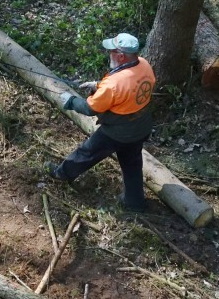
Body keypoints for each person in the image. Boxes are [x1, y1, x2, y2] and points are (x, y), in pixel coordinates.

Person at [49, 32, 156, 212]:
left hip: (117, 133)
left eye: (111, 52)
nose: (109, 54)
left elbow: (91, 108)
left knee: (86, 153)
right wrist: (98, 85)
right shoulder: (144, 65)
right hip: (140, 128)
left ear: (121, 56)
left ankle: (62, 174)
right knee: (132, 165)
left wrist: (70, 100)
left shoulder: (113, 85)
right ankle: (135, 203)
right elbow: (129, 86)